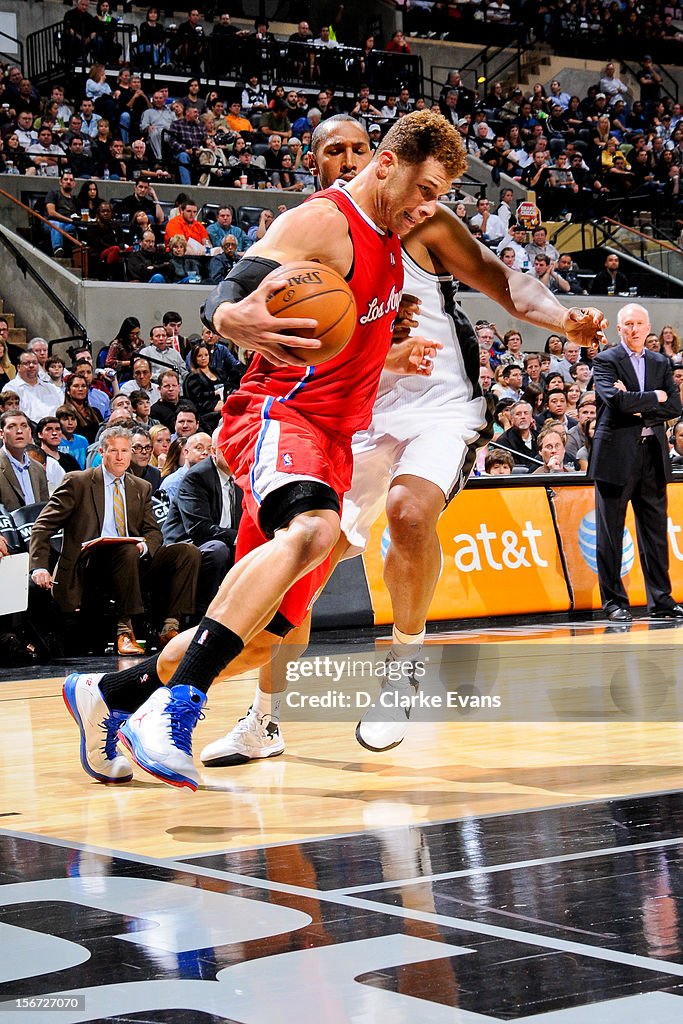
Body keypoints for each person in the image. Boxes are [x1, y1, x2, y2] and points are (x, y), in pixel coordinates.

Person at [67, 111, 607, 788]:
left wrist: (393, 348)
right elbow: (229, 294)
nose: (429, 203)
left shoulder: (395, 241)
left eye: (439, 193)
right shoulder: (322, 221)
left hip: (338, 439)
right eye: (424, 186)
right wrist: (230, 316)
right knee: (314, 530)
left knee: (262, 633)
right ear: (383, 165)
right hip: (281, 415)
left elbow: (443, 306)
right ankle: (175, 712)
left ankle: (109, 697)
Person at [31, 426, 201, 667]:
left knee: (186, 552)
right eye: (114, 451)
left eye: (125, 451)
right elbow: (42, 526)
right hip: (89, 564)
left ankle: (170, 627)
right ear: (102, 452)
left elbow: (153, 531)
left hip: (131, 561)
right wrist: (38, 567)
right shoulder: (78, 482)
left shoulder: (140, 487)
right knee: (125, 550)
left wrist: (145, 546)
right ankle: (124, 630)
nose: (120, 457)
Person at [591, 303, 682, 622]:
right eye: (628, 324)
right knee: (610, 534)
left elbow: (673, 405)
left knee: (655, 533)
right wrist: (652, 397)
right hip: (614, 457)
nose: (634, 329)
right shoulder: (605, 360)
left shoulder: (660, 361)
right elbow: (614, 401)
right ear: (619, 329)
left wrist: (638, 401)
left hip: (652, 456)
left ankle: (662, 600)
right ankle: (614, 602)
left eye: (639, 323)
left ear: (647, 327)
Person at [162, 433, 242, 613]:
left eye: (238, 449)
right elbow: (198, 528)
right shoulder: (197, 477)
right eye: (228, 449)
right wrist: (238, 537)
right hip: (186, 544)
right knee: (219, 549)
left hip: (223, 539)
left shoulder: (239, 475)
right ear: (214, 452)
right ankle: (204, 613)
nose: (234, 454)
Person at [0, 410, 49, 511]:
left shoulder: (38, 468)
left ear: (30, 432)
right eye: (12, 426)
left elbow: (44, 509)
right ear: (1, 434)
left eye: (24, 426)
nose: (19, 431)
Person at [1, 351, 62, 424]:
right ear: (18, 367)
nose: (31, 365)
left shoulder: (52, 389)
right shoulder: (11, 388)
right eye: (26, 363)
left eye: (35, 363)